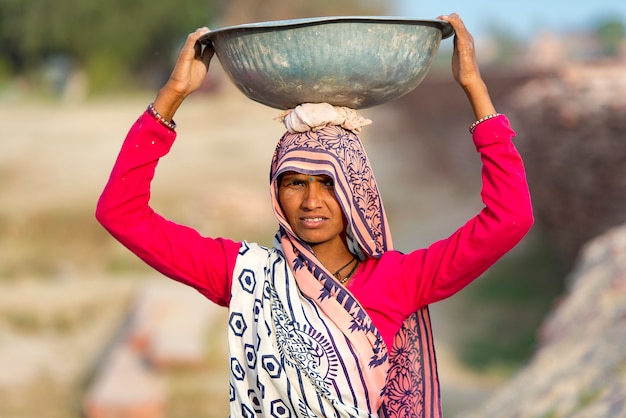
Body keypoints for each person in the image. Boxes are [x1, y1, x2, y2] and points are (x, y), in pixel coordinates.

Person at [96, 13, 533, 418]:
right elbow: (120, 212)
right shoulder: (246, 277)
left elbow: (510, 217)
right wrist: (171, 98)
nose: (311, 201)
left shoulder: (397, 280)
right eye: (294, 182)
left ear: (356, 191)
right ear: (276, 191)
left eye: (328, 182)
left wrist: (475, 89)